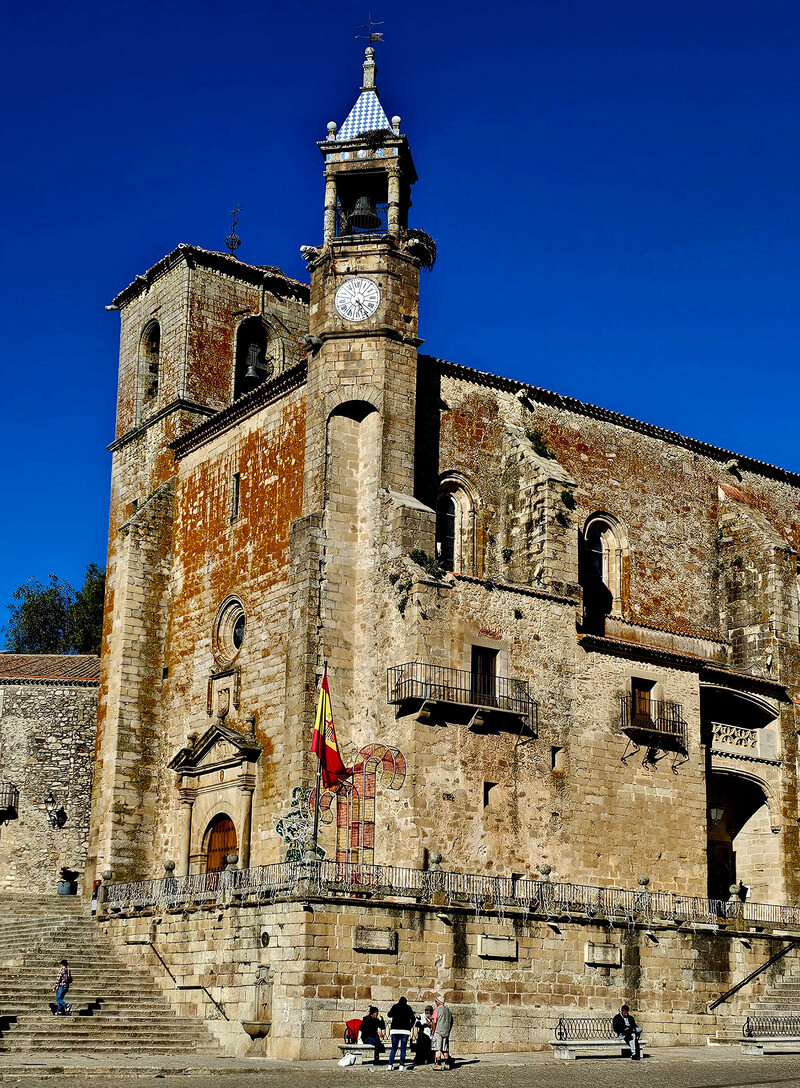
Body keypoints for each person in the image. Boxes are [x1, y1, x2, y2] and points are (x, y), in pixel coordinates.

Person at [387, 996, 415, 1071]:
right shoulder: (408, 1008)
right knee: (403, 1048)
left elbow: (389, 1015)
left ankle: (390, 1065)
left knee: (394, 1048)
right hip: (405, 1031)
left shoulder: (395, 1007)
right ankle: (401, 1065)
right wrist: (409, 1027)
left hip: (395, 1030)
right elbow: (413, 1018)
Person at [432, 996, 453, 1070]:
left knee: (438, 1048)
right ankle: (447, 1064)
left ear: (438, 1002)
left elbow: (434, 1022)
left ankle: (439, 1064)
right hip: (446, 1031)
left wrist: (433, 1030)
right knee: (445, 1048)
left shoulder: (436, 1010)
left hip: (438, 1031)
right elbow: (451, 1021)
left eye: (436, 1001)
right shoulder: (448, 1011)